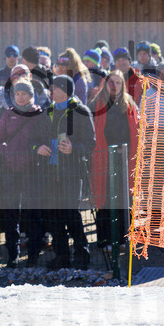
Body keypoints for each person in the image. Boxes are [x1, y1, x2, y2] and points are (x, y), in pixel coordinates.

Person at [36, 74, 96, 270]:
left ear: (67, 90)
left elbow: (90, 143)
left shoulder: (81, 111)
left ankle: (82, 255)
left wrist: (73, 149)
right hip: (49, 172)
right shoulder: (47, 112)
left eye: (57, 88)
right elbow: (34, 140)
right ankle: (61, 256)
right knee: (52, 217)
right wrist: (38, 148)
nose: (53, 91)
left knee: (71, 215)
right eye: (52, 88)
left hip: (71, 172)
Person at [0, 78, 48, 267]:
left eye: (24, 93)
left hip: (33, 171)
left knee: (33, 214)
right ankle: (12, 255)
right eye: (17, 93)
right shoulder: (8, 115)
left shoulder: (40, 115)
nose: (20, 97)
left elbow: (44, 141)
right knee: (11, 214)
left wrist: (32, 151)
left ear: (31, 95)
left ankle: (33, 255)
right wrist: (8, 154)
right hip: (11, 170)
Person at [89, 71, 140, 251]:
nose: (115, 86)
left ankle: (123, 239)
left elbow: (135, 130)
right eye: (112, 82)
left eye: (118, 82)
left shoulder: (129, 104)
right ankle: (105, 240)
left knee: (124, 199)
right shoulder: (96, 105)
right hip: (103, 159)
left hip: (125, 160)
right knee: (105, 199)